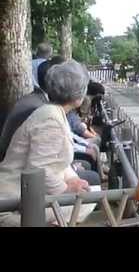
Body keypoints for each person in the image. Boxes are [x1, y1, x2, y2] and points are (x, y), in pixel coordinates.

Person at [0, 60, 97, 226]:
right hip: (15, 206)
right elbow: (38, 169)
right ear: (79, 96)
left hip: (25, 197)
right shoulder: (51, 119)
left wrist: (73, 180)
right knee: (89, 199)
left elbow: (57, 162)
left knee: (90, 193)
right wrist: (66, 189)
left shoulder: (51, 112)